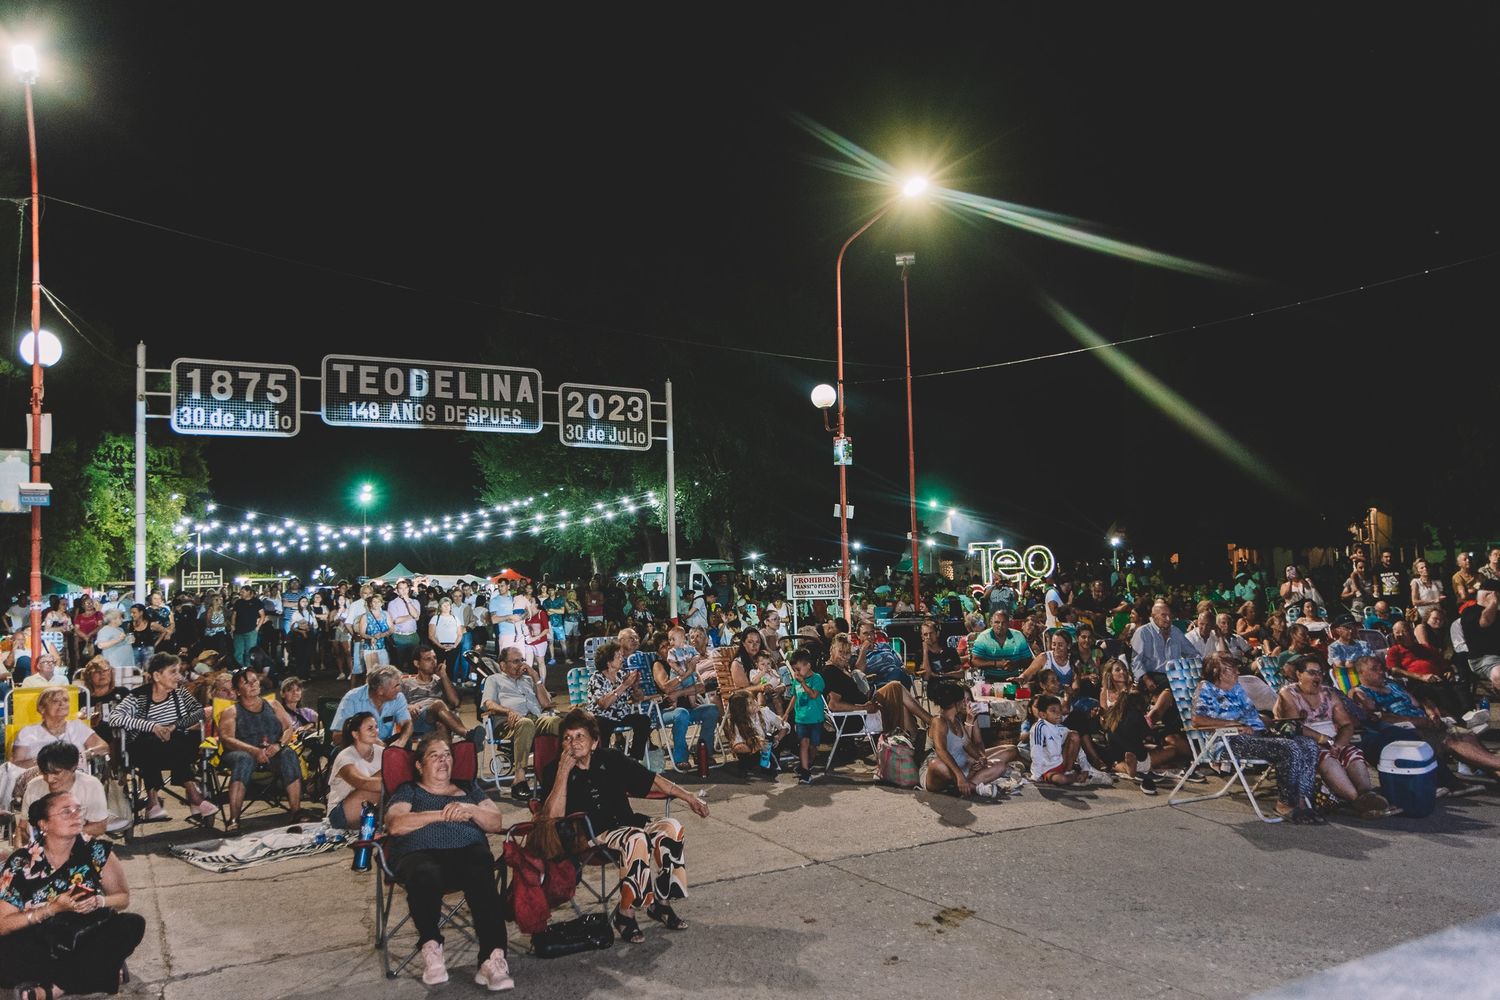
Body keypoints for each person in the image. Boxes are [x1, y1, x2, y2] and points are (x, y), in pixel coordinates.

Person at [539, 709, 708, 945]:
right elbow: (551, 818)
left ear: (595, 742)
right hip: (588, 836)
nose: (573, 743)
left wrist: (689, 797)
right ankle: (625, 914)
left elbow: (653, 779)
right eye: (567, 738)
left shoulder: (611, 759)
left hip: (626, 827)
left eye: (580, 737)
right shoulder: (554, 771)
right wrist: (563, 773)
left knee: (671, 828)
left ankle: (661, 902)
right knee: (636, 838)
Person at [384, 732, 512, 989]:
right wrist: (441, 814)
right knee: (424, 872)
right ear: (419, 766)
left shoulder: (468, 788)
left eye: (447, 755)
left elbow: (496, 821)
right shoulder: (408, 791)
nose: (443, 761)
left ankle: (492, 958)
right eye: (434, 756)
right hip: (419, 855)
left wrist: (469, 809)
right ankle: (431, 946)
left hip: (467, 854)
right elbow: (395, 824)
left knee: (481, 863)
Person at [0, 791, 146, 998]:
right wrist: (52, 909)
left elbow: (122, 898)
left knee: (131, 924)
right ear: (44, 824)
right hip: (41, 937)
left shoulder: (97, 851)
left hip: (83, 933)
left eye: (78, 810)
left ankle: (56, 988)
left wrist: (99, 901)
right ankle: (102, 970)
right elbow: (3, 924)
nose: (76, 815)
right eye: (66, 812)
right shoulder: (21, 861)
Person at [1191, 652, 1323, 824]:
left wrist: (1273, 721)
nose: (1238, 672)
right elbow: (1197, 720)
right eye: (1233, 669)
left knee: (1308, 744)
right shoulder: (1206, 688)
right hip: (1229, 741)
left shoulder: (1237, 688)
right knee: (1287, 748)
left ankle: (1303, 801)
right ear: (1219, 672)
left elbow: (1252, 716)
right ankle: (1285, 804)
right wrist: (1234, 725)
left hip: (1257, 735)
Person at [1350, 655, 1496, 790]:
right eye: (1374, 669)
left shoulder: (1392, 685)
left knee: (1467, 736)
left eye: (1381, 667)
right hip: (1408, 732)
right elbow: (1378, 717)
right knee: (1451, 741)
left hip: (1428, 724)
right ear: (1361, 673)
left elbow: (1418, 702)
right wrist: (1419, 722)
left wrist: (1431, 713)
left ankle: (1494, 768)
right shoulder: (1360, 693)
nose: (1381, 671)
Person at [1273, 656, 1394, 818]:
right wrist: (1323, 740)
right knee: (1326, 758)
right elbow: (1295, 726)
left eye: (1319, 673)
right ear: (1299, 674)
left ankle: (1367, 794)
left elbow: (1346, 724)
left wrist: (1338, 745)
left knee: (1353, 754)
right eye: (1311, 673)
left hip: (1334, 740)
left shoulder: (1328, 693)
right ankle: (1357, 801)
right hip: (1307, 742)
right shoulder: (1288, 693)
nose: (1317, 677)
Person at [113, 653, 217, 823]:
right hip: (146, 746)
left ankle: (154, 804)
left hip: (176, 744)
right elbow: (115, 718)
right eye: (173, 672)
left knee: (179, 741)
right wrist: (152, 727)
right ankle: (193, 797)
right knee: (151, 744)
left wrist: (174, 725)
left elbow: (198, 712)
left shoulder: (180, 692)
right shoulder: (137, 696)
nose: (179, 676)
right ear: (156, 676)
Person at [217, 667, 305, 830]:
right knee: (244, 759)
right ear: (237, 691)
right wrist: (253, 751)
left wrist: (278, 745)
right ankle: (233, 819)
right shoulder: (231, 711)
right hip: (240, 753)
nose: (253, 684)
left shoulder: (273, 704)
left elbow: (288, 728)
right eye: (247, 682)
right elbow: (226, 739)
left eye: (255, 680)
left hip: (272, 751)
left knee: (288, 754)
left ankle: (296, 811)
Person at [480, 645, 561, 802]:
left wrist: (536, 677)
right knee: (525, 723)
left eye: (522, 660)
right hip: (508, 723)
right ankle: (519, 780)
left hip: (535, 719)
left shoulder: (528, 680)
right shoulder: (494, 680)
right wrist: (508, 711)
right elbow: (488, 703)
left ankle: (559, 773)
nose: (521, 664)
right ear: (503, 665)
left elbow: (545, 703)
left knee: (556, 721)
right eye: (515, 661)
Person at [922, 682, 1016, 798]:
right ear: (956, 703)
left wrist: (980, 758)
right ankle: (973, 787)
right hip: (941, 772)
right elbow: (941, 751)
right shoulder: (939, 721)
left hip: (960, 768)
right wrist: (960, 775)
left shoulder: (956, 721)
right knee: (937, 764)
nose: (965, 703)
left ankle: (960, 787)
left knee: (999, 765)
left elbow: (968, 744)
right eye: (963, 700)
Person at [14, 741, 111, 846]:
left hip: (77, 844)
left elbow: (100, 826)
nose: (50, 779)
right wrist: (19, 850)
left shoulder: (91, 786)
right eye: (45, 773)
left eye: (56, 773)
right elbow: (22, 827)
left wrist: (59, 836)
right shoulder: (34, 786)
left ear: (73, 767)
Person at [649, 631, 720, 769]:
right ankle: (680, 757)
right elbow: (666, 688)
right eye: (664, 646)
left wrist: (680, 692)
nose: (669, 648)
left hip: (689, 708)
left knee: (712, 710)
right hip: (666, 711)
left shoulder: (684, 659)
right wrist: (685, 674)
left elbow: (700, 687)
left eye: (670, 643)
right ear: (658, 652)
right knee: (681, 713)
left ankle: (703, 752)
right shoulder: (659, 665)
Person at [588, 639, 653, 760]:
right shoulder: (597, 678)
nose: (622, 659)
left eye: (621, 656)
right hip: (602, 715)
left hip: (621, 715)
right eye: (618, 656)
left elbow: (638, 698)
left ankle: (634, 759)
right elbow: (603, 704)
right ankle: (602, 760)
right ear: (608, 662)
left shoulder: (622, 675)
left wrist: (635, 686)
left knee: (643, 720)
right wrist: (624, 685)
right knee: (602, 724)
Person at [402, 644, 479, 745]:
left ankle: (448, 756)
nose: (433, 662)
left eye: (435, 658)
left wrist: (444, 675)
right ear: (417, 663)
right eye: (428, 659)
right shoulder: (407, 683)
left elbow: (455, 702)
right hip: (417, 718)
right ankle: (467, 734)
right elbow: (395, 705)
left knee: (442, 724)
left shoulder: (440, 680)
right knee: (438, 703)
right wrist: (409, 707)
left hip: (437, 717)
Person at [331, 664, 413, 748]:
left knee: (406, 742)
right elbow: (337, 737)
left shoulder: (398, 697)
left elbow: (407, 723)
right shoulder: (352, 699)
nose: (399, 689)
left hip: (384, 743)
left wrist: (401, 741)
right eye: (396, 686)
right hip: (358, 745)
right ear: (380, 690)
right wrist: (370, 740)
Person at [326, 711, 383, 830]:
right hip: (340, 815)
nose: (375, 731)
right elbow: (363, 783)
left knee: (393, 772)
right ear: (355, 734)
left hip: (369, 809)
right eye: (370, 728)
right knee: (383, 782)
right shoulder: (345, 757)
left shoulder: (382, 751)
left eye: (376, 727)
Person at [721, 689, 787, 779]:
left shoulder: (765, 712)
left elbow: (784, 725)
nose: (755, 704)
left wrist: (778, 737)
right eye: (750, 704)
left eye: (754, 700)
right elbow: (737, 746)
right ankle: (752, 767)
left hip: (768, 746)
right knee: (750, 749)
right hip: (751, 752)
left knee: (787, 735)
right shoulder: (736, 722)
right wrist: (756, 746)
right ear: (742, 709)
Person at [783, 648, 826, 784]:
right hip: (801, 718)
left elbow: (813, 695)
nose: (796, 672)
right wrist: (787, 712)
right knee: (803, 743)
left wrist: (802, 682)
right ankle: (805, 771)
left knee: (813, 745)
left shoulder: (817, 679)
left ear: (808, 665)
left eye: (798, 669)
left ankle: (809, 762)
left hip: (815, 719)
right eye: (794, 669)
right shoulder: (797, 680)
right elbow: (795, 696)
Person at [1130, 600, 1196, 679]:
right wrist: (1146, 679)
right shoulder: (1142, 632)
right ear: (1153, 616)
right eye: (1164, 615)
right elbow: (1136, 661)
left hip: (1175, 677)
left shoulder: (1176, 632)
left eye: (1170, 615)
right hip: (1152, 677)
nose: (1168, 619)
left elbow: (1192, 654)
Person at [969, 609, 1034, 680]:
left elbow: (1028, 660)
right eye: (997, 622)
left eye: (1004, 623)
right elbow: (974, 661)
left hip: (1014, 679)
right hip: (989, 680)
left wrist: (1015, 664)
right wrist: (996, 663)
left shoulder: (1018, 636)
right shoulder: (983, 637)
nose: (1000, 625)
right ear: (991, 623)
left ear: (1009, 623)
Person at [1460, 578, 1500, 689]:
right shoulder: (1469, 611)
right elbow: (1485, 622)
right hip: (1482, 659)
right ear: (1491, 595)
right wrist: (1494, 602)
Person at [852, 620, 911, 690]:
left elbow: (900, 664)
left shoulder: (885, 646)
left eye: (872, 632)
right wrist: (863, 650)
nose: (869, 636)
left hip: (897, 676)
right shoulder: (856, 653)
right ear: (858, 636)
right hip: (879, 682)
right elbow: (858, 673)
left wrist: (903, 668)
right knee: (897, 675)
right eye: (865, 633)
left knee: (903, 675)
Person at [230, 585, 267, 668]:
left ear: (249, 592)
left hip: (251, 631)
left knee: (249, 652)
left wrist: (257, 628)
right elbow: (234, 615)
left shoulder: (257, 602)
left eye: (243, 592)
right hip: (238, 632)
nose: (240, 593)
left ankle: (249, 668)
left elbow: (262, 615)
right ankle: (240, 668)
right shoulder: (238, 602)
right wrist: (232, 626)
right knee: (237, 652)